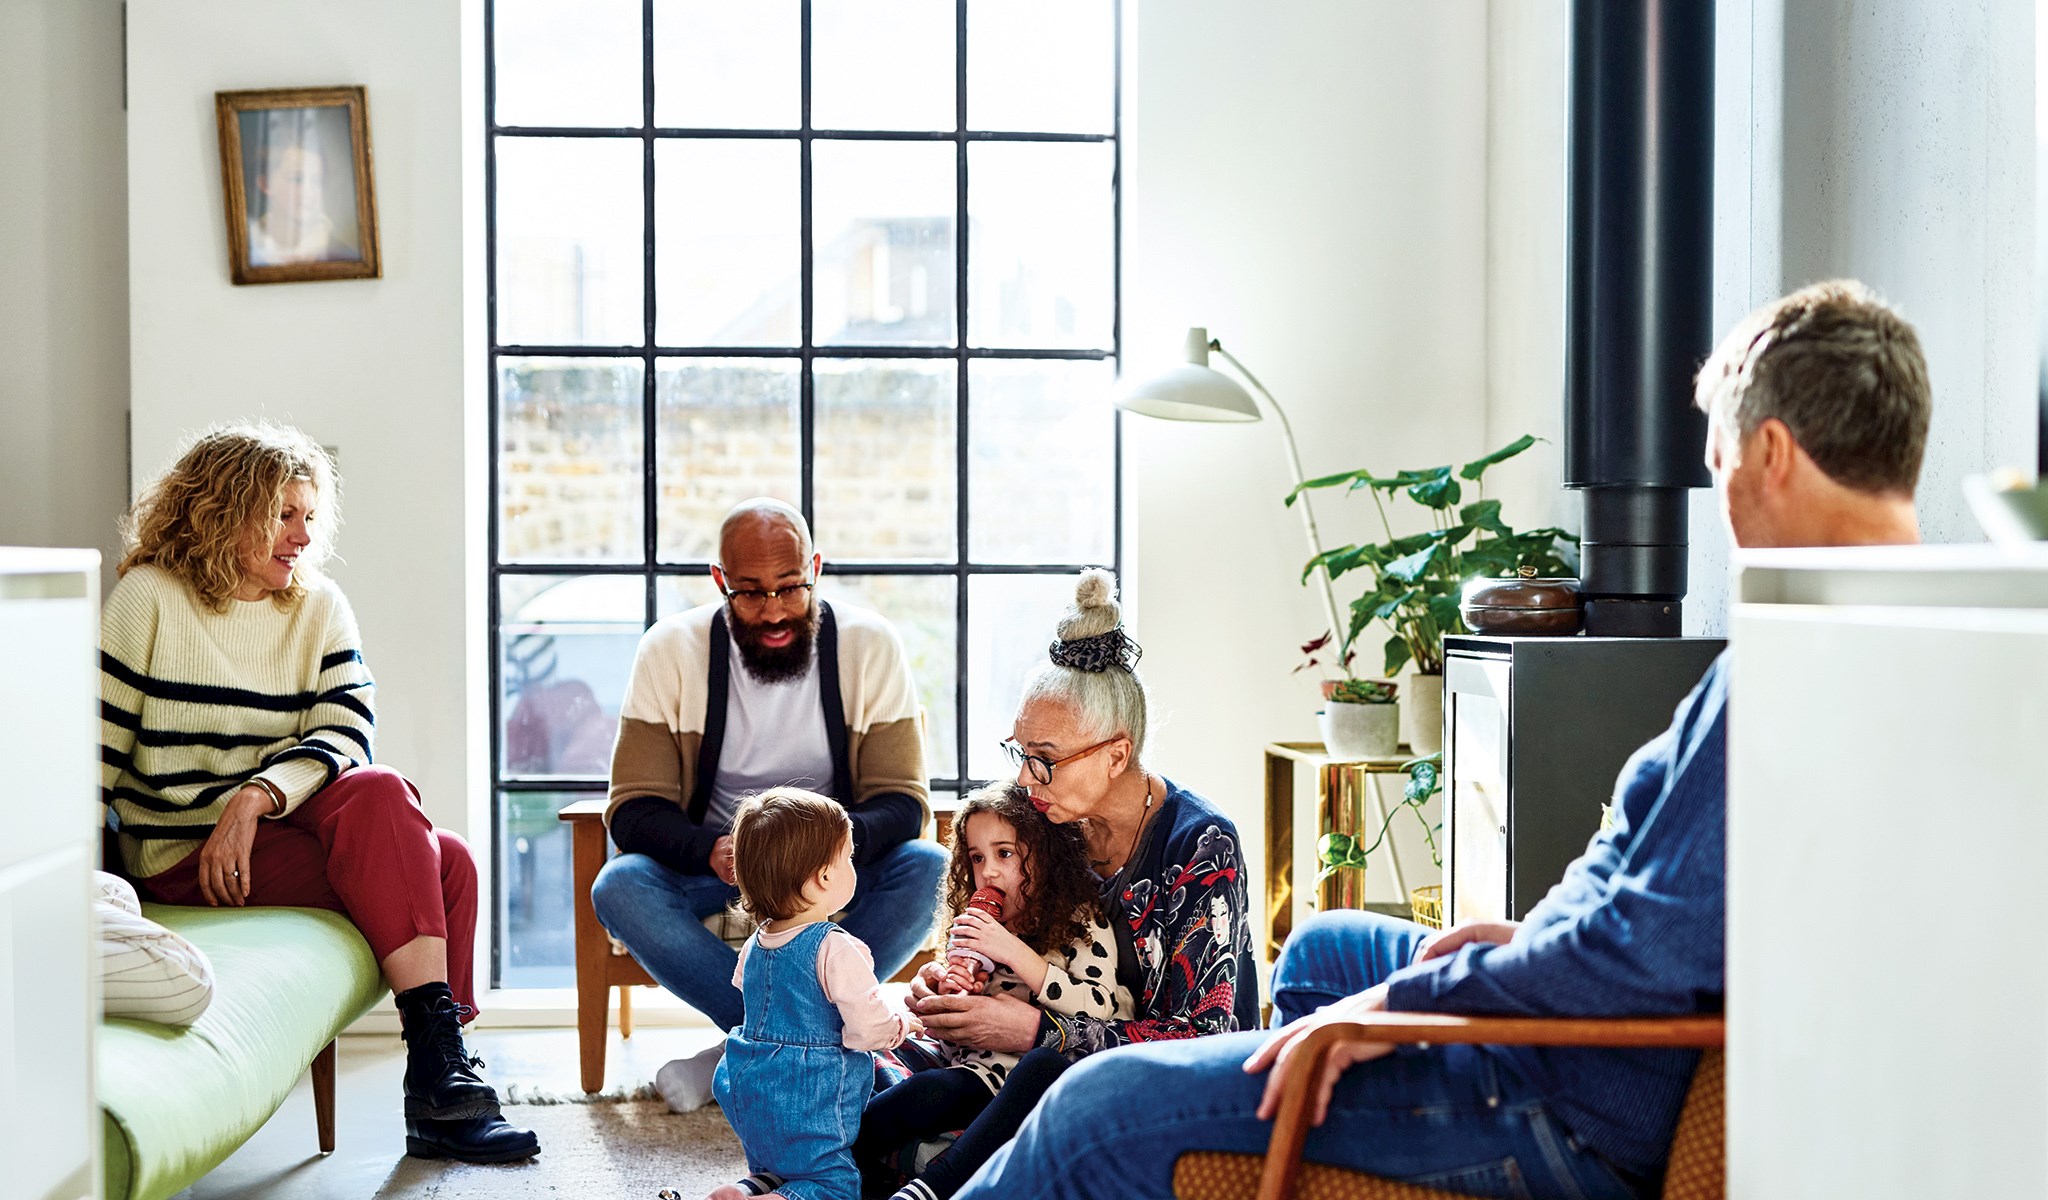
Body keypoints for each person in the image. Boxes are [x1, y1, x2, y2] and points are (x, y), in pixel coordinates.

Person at [951, 278, 1931, 1199]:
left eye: (1718, 467)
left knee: (1089, 1111)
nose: (1724, 502)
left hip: (1560, 1094)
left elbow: (1637, 951)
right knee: (1325, 949)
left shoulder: (1790, 660)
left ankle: (1273, 1130)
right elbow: (1670, 924)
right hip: (1588, 1034)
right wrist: (1522, 940)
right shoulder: (1901, 633)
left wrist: (1399, 1007)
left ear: (1769, 453)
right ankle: (1292, 1146)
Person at [100, 422, 538, 1164]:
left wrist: (256, 798)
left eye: (310, 516)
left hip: (274, 828)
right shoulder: (148, 600)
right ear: (223, 511)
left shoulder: (318, 605)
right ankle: (444, 1093)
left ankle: (442, 1076)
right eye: (283, 515)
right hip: (185, 852)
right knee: (448, 864)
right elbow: (93, 745)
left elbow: (346, 731)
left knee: (387, 799)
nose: (303, 537)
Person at [594, 498, 946, 1104]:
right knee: (620, 884)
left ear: (816, 567)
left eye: (790, 587)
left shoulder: (869, 645)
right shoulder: (669, 650)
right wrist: (710, 850)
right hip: (717, 869)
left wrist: (819, 849)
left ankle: (741, 1050)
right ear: (718, 581)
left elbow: (904, 803)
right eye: (751, 593)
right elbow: (631, 807)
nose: (775, 611)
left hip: (827, 871)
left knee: (928, 867)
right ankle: (797, 1041)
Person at [905, 569, 1260, 1131]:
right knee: (870, 1071)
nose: (1024, 778)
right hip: (1031, 1066)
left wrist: (1030, 1030)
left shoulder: (1201, 844)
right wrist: (950, 985)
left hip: (1177, 1089)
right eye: (1019, 752)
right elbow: (1014, 948)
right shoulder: (1050, 822)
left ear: (1116, 756)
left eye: (1043, 757)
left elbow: (1202, 1034)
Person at [853, 783, 1132, 1200]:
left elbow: (1105, 1007)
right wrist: (943, 990)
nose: (989, 872)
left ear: (1046, 857)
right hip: (968, 1067)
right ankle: (832, 1165)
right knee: (874, 1060)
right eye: (978, 858)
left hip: (1015, 1083)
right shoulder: (985, 924)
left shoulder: (1082, 922)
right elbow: (957, 1018)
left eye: (1005, 854)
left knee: (1017, 1072)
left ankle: (933, 1185)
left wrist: (1019, 956)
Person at [708, 789, 924, 1200]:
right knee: (835, 1182)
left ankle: (745, 1189)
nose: (851, 867)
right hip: (811, 1092)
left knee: (781, 1165)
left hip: (749, 1084)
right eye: (848, 858)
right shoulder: (834, 946)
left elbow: (762, 1005)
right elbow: (865, 1028)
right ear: (825, 876)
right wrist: (902, 1025)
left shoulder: (756, 943)